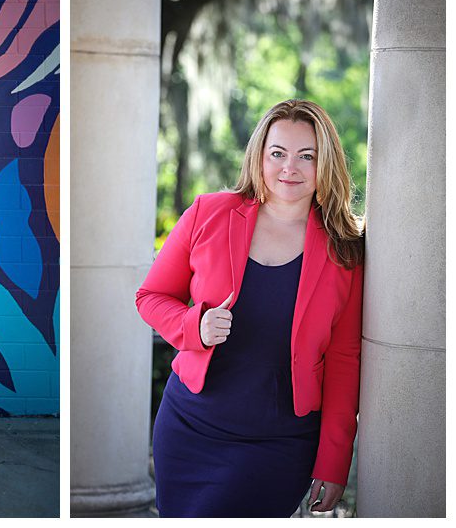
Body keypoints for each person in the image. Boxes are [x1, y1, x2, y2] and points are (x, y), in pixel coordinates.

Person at [136, 99, 364, 517]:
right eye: (277, 153)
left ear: (325, 162)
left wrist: (334, 461)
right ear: (260, 155)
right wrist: (195, 326)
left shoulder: (344, 247)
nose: (289, 168)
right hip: (190, 427)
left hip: (279, 443)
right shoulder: (209, 213)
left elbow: (345, 359)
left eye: (306, 156)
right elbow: (150, 297)